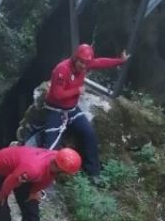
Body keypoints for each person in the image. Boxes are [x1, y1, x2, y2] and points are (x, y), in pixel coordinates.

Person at [39, 43, 129, 179]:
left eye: (86, 63)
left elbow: (100, 62)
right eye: (81, 62)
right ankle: (44, 175)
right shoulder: (62, 70)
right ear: (75, 59)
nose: (83, 66)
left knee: (89, 133)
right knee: (51, 145)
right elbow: (57, 94)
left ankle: (93, 172)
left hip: (72, 109)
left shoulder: (85, 65)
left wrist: (119, 61)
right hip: (55, 109)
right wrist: (77, 90)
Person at [0, 145, 81, 221]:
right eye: (67, 173)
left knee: (31, 202)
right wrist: (4, 193)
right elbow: (12, 179)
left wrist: (34, 191)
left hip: (21, 169)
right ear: (61, 169)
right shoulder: (33, 169)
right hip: (0, 166)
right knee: (0, 203)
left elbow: (47, 176)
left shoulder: (56, 159)